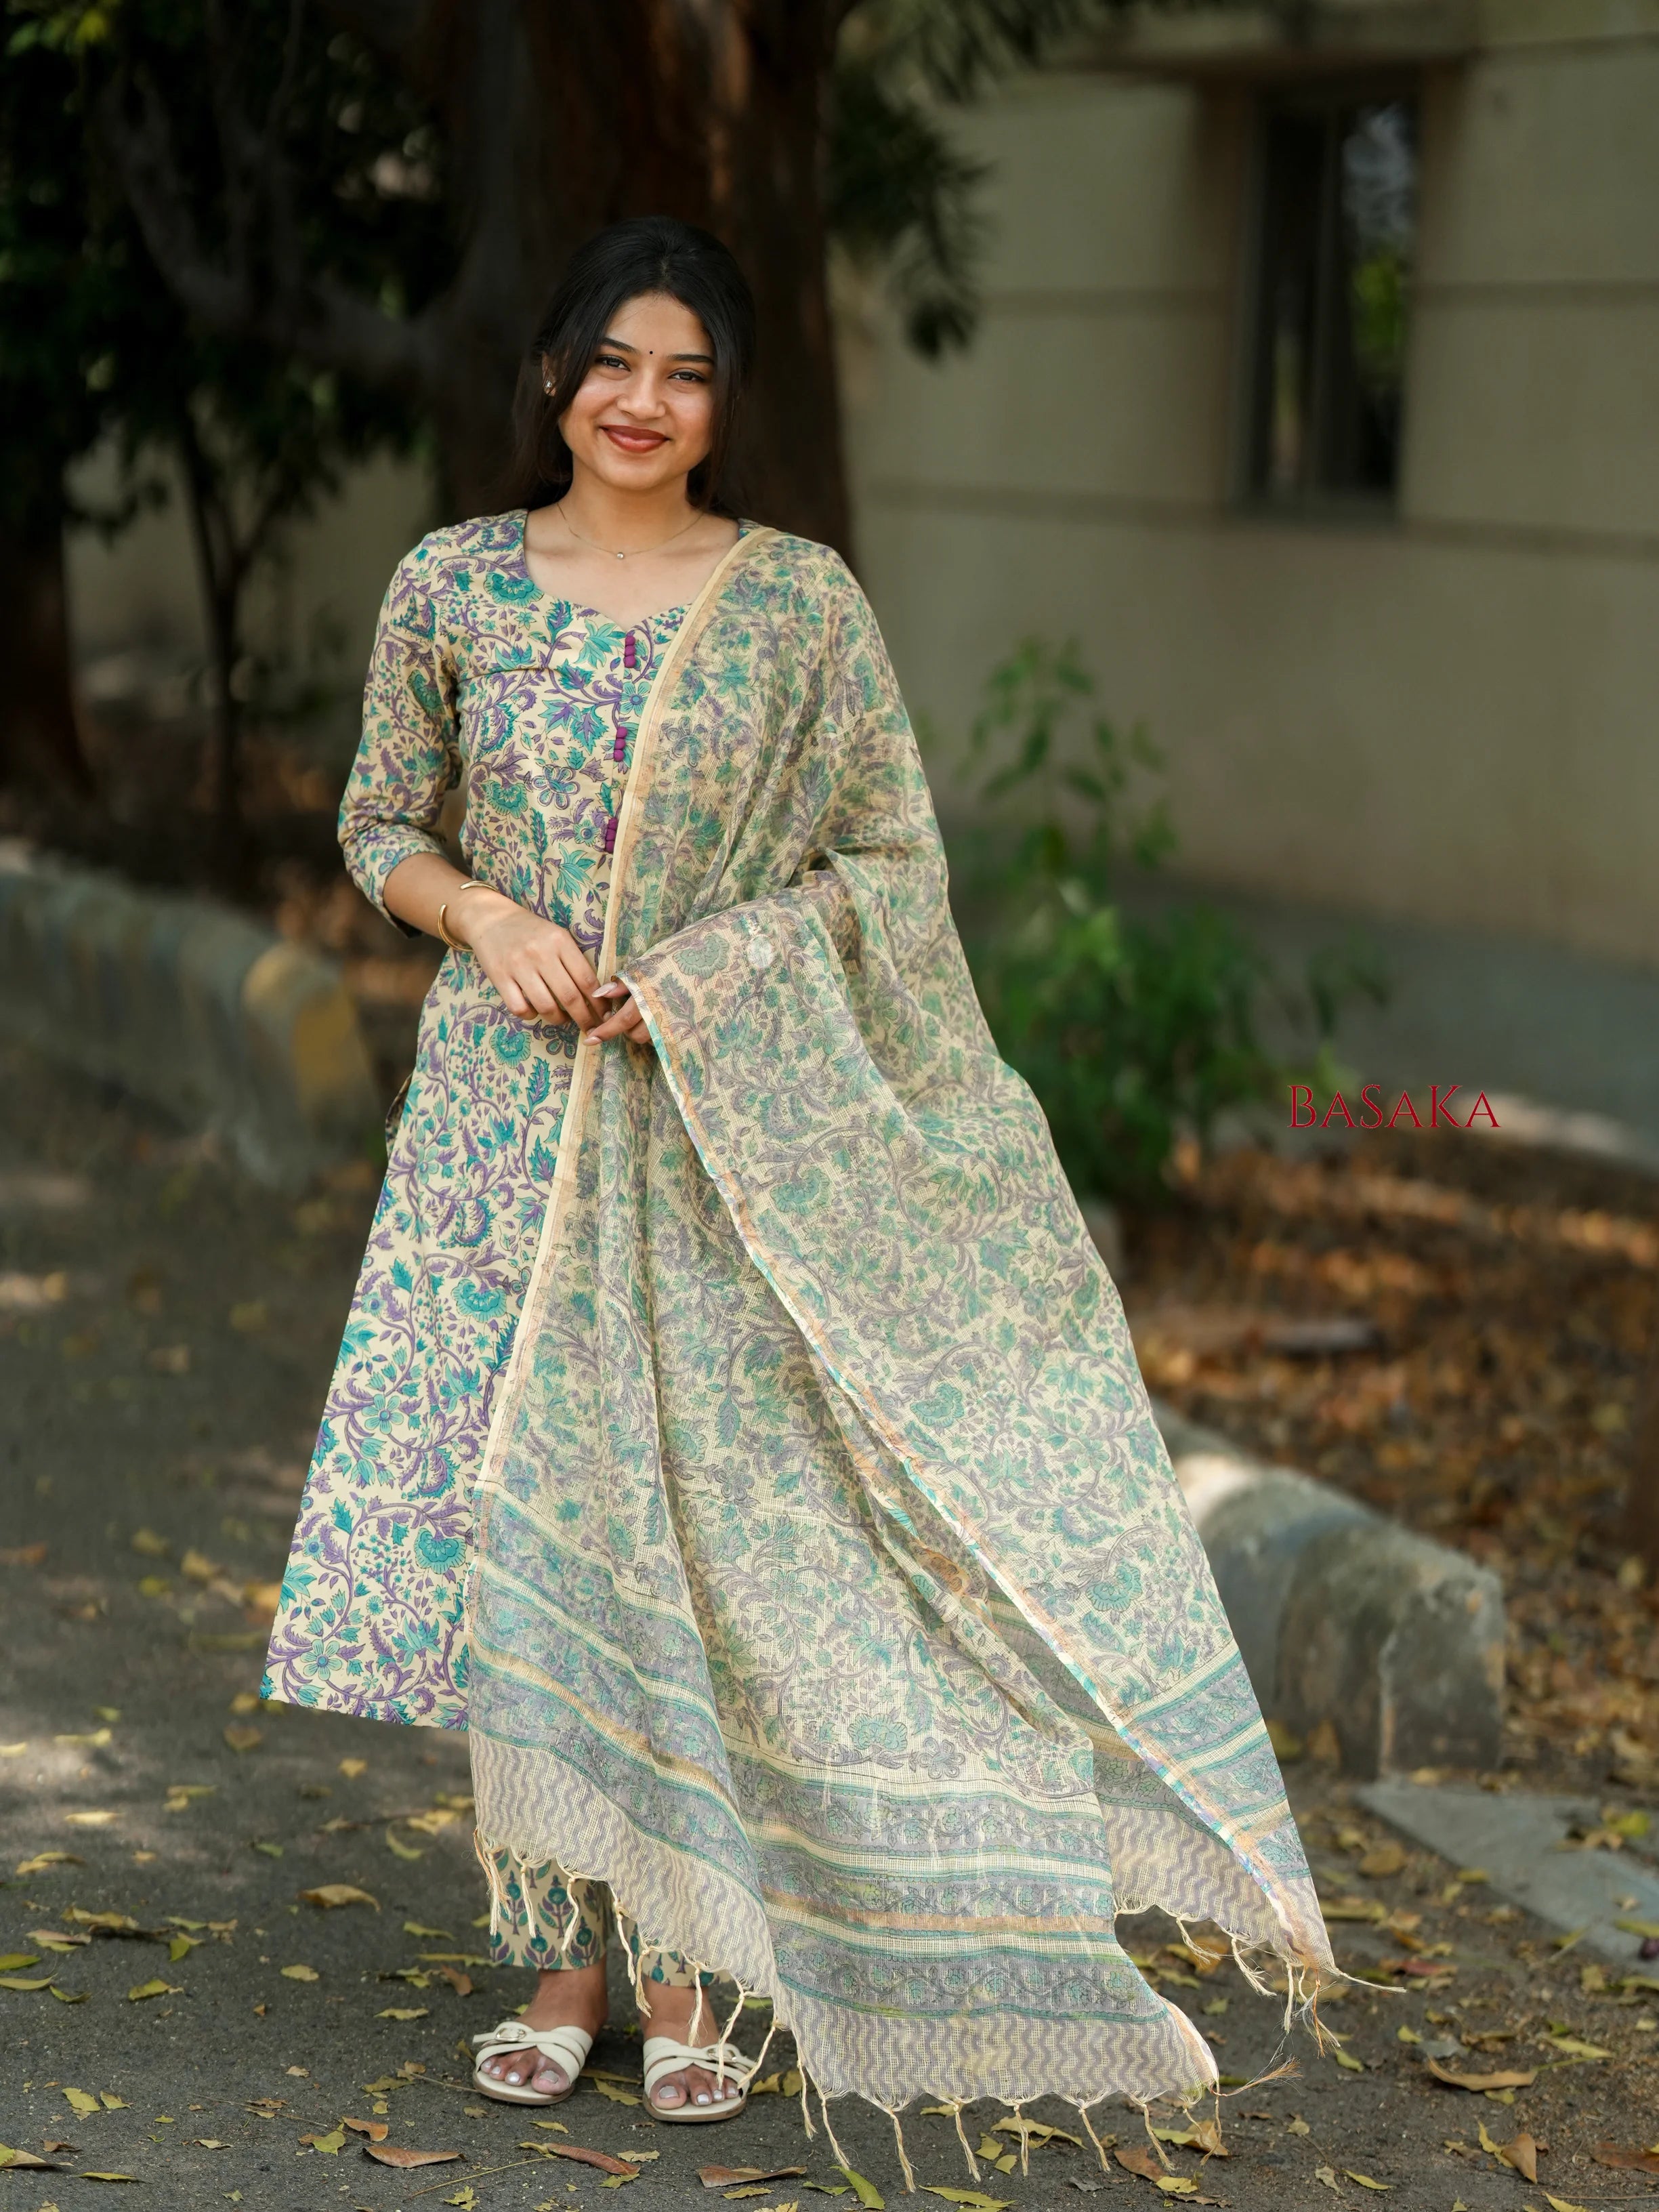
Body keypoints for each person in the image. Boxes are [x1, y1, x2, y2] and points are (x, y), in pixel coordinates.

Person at [264, 215, 1332, 2154]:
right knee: (526, 1529)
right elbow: (376, 819)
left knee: (690, 1539)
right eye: (612, 362)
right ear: (552, 374)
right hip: (504, 1134)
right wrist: (483, 915)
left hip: (718, 1133)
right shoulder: (453, 583)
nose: (643, 402)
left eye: (685, 373)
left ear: (724, 401)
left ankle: (687, 1973)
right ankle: (557, 1966)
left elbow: (888, 865)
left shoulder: (796, 607)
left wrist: (711, 976)